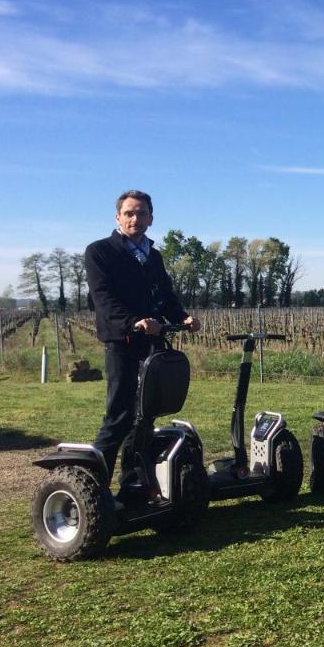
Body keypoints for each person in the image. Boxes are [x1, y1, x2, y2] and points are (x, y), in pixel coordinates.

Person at [86, 190, 200, 491]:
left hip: (152, 342)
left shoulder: (153, 254)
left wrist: (183, 317)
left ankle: (133, 483)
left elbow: (165, 296)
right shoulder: (100, 252)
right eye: (129, 213)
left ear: (150, 217)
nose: (135, 218)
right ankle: (92, 487)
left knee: (146, 415)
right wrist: (133, 322)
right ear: (118, 217)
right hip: (122, 342)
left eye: (141, 213)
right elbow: (103, 299)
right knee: (119, 416)